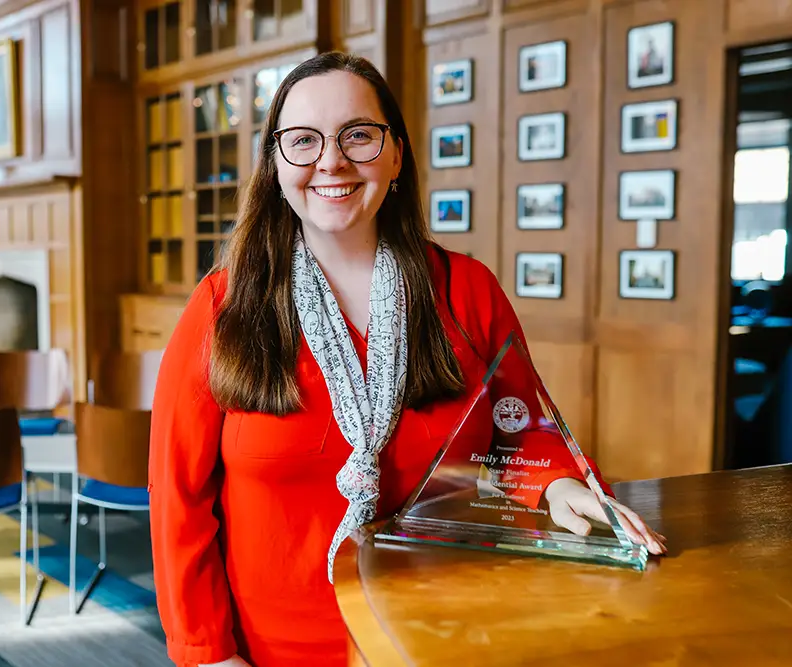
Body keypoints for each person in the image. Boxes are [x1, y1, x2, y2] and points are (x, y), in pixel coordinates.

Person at [148, 51, 667, 667]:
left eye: (358, 136)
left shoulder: (466, 291)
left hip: (443, 631)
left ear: (395, 155)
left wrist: (555, 482)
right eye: (303, 141)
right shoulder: (222, 307)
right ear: (275, 164)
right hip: (272, 649)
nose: (331, 161)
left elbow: (521, 427)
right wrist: (209, 654)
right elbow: (176, 496)